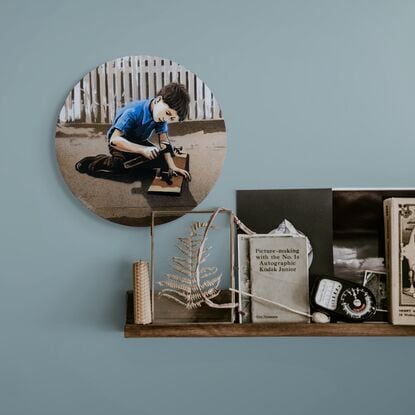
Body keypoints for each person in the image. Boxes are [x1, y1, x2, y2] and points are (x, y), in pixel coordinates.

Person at [76, 82, 191, 180]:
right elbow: (114, 140)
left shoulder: (160, 116)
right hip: (120, 142)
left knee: (161, 161)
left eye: (171, 118)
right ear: (158, 100)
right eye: (167, 113)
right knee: (119, 167)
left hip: (139, 142)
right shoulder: (133, 112)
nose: (166, 119)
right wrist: (143, 150)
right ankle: (92, 161)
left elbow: (164, 142)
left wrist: (172, 166)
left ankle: (137, 161)